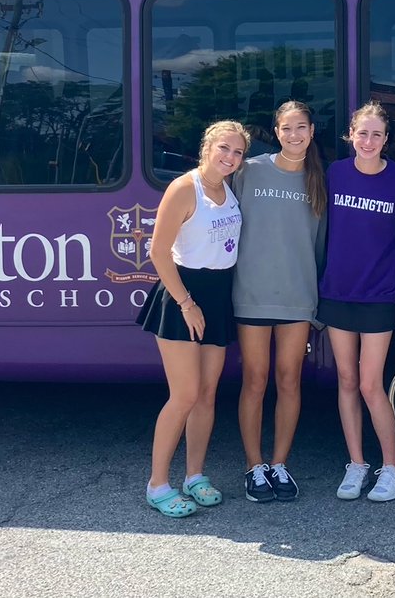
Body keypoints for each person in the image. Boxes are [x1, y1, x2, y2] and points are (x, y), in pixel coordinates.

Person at [137, 120, 249, 518]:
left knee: (206, 395)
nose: (230, 158)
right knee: (184, 394)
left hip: (218, 297)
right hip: (183, 298)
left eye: (237, 152)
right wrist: (187, 303)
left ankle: (195, 476)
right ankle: (158, 484)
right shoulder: (186, 188)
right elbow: (158, 251)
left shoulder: (229, 189)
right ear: (207, 146)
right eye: (224, 148)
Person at [232, 100, 328, 503]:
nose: (294, 135)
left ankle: (280, 463)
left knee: (289, 381)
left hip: (297, 296)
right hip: (252, 294)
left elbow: (321, 246)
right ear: (276, 131)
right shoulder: (249, 170)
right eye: (286, 128)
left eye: (301, 128)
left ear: (311, 131)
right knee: (255, 381)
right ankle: (254, 467)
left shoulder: (318, 179)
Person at [318, 101, 395, 502]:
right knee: (347, 381)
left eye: (377, 134)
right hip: (338, 291)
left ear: (386, 139)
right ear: (350, 136)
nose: (369, 140)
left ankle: (393, 468)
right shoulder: (335, 174)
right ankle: (357, 464)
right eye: (362, 133)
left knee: (372, 384)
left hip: (378, 295)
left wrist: (389, 254)